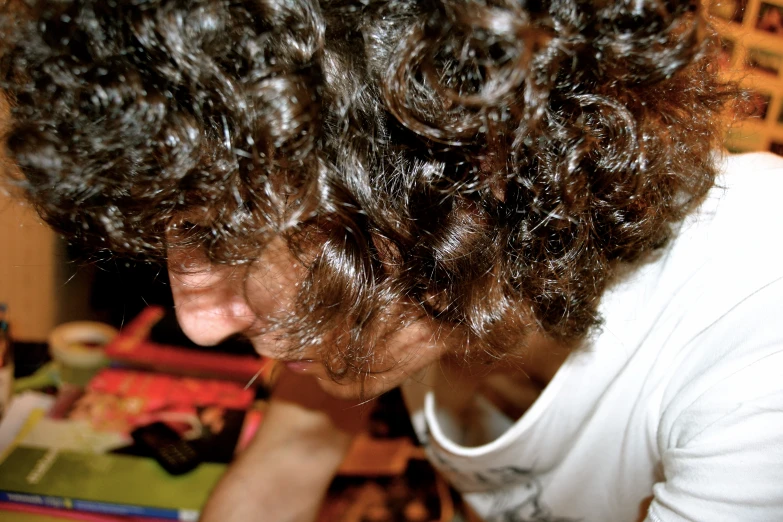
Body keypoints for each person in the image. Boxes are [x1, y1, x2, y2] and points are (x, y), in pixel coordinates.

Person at [1, 0, 782, 521]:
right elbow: (282, 470)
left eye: (230, 238)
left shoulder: (756, 323)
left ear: (466, 175)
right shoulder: (405, 271)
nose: (200, 321)